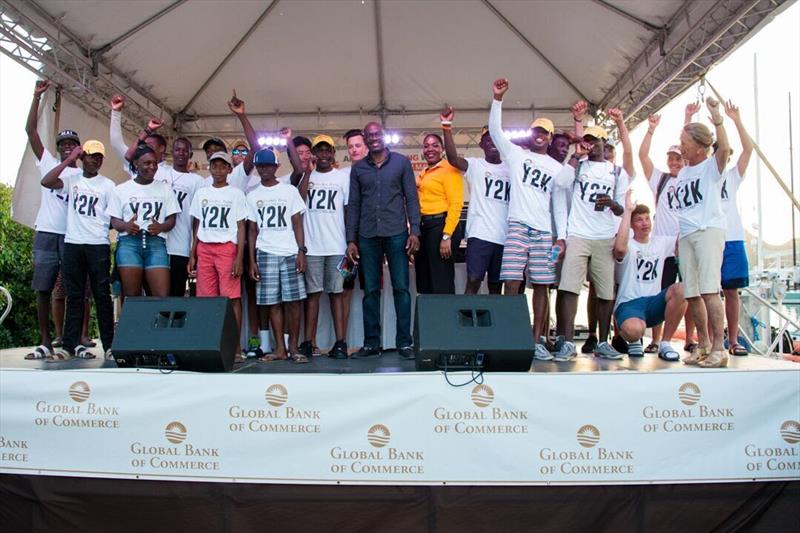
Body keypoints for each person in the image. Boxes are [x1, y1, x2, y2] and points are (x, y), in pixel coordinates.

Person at [489, 78, 568, 361]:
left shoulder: (557, 167)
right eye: (536, 130)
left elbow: (559, 204)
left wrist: (562, 236)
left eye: (545, 133)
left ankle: (536, 341)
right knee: (511, 281)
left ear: (550, 137)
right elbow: (495, 132)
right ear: (531, 133)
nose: (539, 135)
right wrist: (497, 99)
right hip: (518, 224)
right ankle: (510, 336)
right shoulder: (517, 155)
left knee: (543, 284)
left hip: (543, 231)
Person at [555, 112, 631, 361]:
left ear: (604, 144)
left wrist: (611, 204)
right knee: (568, 287)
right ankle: (567, 343)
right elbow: (560, 182)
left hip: (604, 236)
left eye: (595, 140)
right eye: (587, 139)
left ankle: (602, 341)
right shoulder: (578, 165)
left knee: (605, 292)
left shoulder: (617, 172)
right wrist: (576, 154)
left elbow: (622, 208)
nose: (591, 144)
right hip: (578, 233)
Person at [346, 121, 420, 359]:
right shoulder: (358, 169)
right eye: (369, 135)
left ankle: (405, 343)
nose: (374, 138)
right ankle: (371, 344)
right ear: (365, 139)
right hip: (367, 236)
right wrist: (351, 239)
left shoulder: (401, 163)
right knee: (370, 291)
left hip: (397, 233)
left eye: (377, 134)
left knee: (401, 288)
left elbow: (411, 198)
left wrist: (415, 231)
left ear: (384, 136)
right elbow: (354, 205)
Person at [40, 141, 116, 360]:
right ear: (82, 158)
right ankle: (70, 344)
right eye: (91, 156)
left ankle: (109, 345)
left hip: (98, 244)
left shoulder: (108, 185)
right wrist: (67, 161)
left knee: (101, 296)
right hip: (73, 242)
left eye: (99, 157)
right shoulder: (72, 180)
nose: (95, 160)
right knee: (75, 295)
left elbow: (112, 218)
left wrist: (100, 227)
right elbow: (46, 181)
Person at [23, 80, 78, 360]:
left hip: (71, 237)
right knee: (43, 287)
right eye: (64, 144)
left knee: (72, 289)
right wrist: (37, 98)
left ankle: (71, 340)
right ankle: (45, 340)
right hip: (46, 231)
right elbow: (30, 131)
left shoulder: (84, 176)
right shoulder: (48, 163)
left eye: (72, 144)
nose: (67, 147)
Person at [676, 97, 731, 368]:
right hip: (686, 233)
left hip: (708, 230)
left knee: (710, 290)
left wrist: (717, 117)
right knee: (692, 292)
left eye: (686, 143)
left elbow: (725, 149)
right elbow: (685, 137)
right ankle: (705, 345)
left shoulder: (711, 167)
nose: (681, 147)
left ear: (699, 147)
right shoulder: (685, 170)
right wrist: (687, 118)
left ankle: (720, 349)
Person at [638, 112, 696, 353]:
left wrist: (688, 117)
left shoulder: (693, 177)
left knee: (691, 292)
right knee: (661, 292)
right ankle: (656, 339)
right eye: (671, 158)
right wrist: (651, 129)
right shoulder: (660, 180)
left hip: (686, 243)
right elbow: (642, 156)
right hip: (663, 247)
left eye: (679, 158)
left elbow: (696, 149)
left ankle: (690, 339)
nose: (674, 162)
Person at [247, 148, 309, 363]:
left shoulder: (289, 191)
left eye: (268, 165)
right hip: (265, 252)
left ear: (276, 167)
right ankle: (280, 349)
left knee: (293, 302)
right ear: (256, 168)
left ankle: (294, 347)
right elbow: (252, 230)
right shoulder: (252, 195)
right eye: (260, 166)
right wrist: (252, 260)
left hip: (290, 251)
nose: (264, 169)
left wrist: (301, 252)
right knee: (272, 303)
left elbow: (297, 223)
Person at [440, 108, 509, 295]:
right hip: (480, 234)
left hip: (504, 236)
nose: (493, 142)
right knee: (473, 280)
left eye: (496, 138)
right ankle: (467, 321)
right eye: (488, 139)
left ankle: (495, 324)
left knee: (496, 286)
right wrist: (446, 126)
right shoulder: (476, 165)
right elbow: (453, 159)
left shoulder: (512, 167)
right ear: (481, 144)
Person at [188, 151, 248, 359]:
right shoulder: (201, 193)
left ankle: (235, 346)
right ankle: (209, 343)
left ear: (229, 169)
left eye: (223, 166)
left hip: (226, 248)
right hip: (205, 247)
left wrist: (239, 257)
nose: (219, 170)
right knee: (206, 299)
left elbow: (241, 227)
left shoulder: (236, 194)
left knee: (231, 298)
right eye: (215, 166)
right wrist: (192, 253)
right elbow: (197, 224)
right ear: (209, 168)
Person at [297, 135, 350, 359]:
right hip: (313, 247)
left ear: (333, 153)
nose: (324, 155)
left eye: (328, 150)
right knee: (312, 295)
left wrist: (350, 243)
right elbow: (298, 202)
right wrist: (308, 172)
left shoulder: (342, 178)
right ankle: (309, 342)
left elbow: (348, 211)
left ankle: (340, 343)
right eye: (320, 150)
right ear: (313, 154)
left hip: (337, 246)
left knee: (337, 294)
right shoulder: (307, 177)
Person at [613, 193, 684, 361]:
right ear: (632, 225)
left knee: (682, 289)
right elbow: (620, 249)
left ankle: (665, 343)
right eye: (639, 220)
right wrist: (628, 211)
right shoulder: (629, 244)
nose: (644, 223)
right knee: (636, 329)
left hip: (653, 303)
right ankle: (629, 338)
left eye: (647, 219)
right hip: (629, 304)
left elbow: (682, 238)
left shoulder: (660, 242)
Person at [108, 145, 179, 299]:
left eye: (154, 163)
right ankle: (130, 324)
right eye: (146, 163)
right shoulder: (121, 189)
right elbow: (114, 221)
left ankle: (156, 324)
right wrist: (127, 226)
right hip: (129, 244)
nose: (152, 167)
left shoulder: (165, 189)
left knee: (162, 295)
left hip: (156, 244)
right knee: (131, 295)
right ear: (135, 164)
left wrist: (161, 227)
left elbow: (172, 219)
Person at [718, 100, 753, 356]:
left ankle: (733, 339)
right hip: (709, 238)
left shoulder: (732, 176)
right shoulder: (701, 173)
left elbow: (748, 150)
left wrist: (735, 120)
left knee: (731, 291)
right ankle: (710, 340)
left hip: (732, 239)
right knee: (705, 292)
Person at [415, 131, 464, 294]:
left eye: (435, 145)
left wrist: (446, 235)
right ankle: (430, 319)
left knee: (441, 281)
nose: (430, 149)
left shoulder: (449, 169)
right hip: (425, 227)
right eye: (426, 146)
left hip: (441, 226)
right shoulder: (424, 173)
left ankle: (445, 318)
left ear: (442, 149)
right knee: (425, 281)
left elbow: (456, 203)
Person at [340, 129, 369, 338]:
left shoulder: (375, 172)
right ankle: (343, 340)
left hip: (371, 241)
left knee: (371, 289)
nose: (354, 150)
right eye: (351, 146)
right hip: (347, 242)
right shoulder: (342, 175)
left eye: (358, 145)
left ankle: (371, 341)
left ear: (366, 147)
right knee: (345, 288)